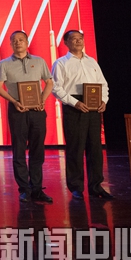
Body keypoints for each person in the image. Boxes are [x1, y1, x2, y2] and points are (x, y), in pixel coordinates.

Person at [51, 30, 113, 200]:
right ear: (66, 43)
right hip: (74, 106)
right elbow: (56, 88)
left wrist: (103, 100)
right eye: (74, 39)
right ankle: (76, 187)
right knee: (75, 148)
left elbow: (103, 84)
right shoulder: (61, 63)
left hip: (94, 105)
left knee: (95, 148)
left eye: (80, 38)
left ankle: (96, 186)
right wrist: (75, 102)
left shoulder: (92, 61)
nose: (78, 41)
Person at [0, 30, 54, 203]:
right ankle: (24, 189)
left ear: (27, 43)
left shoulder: (39, 61)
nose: (18, 42)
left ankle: (37, 188)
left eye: (21, 40)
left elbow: (49, 82)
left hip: (37, 111)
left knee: (37, 150)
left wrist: (42, 99)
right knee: (19, 150)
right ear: (10, 44)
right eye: (14, 40)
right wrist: (14, 101)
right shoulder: (4, 64)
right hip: (17, 110)